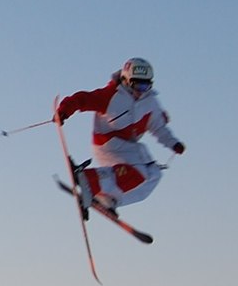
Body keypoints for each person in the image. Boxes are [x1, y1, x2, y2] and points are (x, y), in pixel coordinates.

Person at [55, 58, 185, 215]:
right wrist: (64, 111)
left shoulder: (150, 102)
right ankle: (89, 179)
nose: (140, 90)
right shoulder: (111, 95)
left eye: (145, 85)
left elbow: (159, 127)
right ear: (125, 80)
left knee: (154, 174)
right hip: (108, 144)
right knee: (139, 173)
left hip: (130, 147)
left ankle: (109, 199)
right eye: (136, 84)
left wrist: (173, 143)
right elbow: (82, 99)